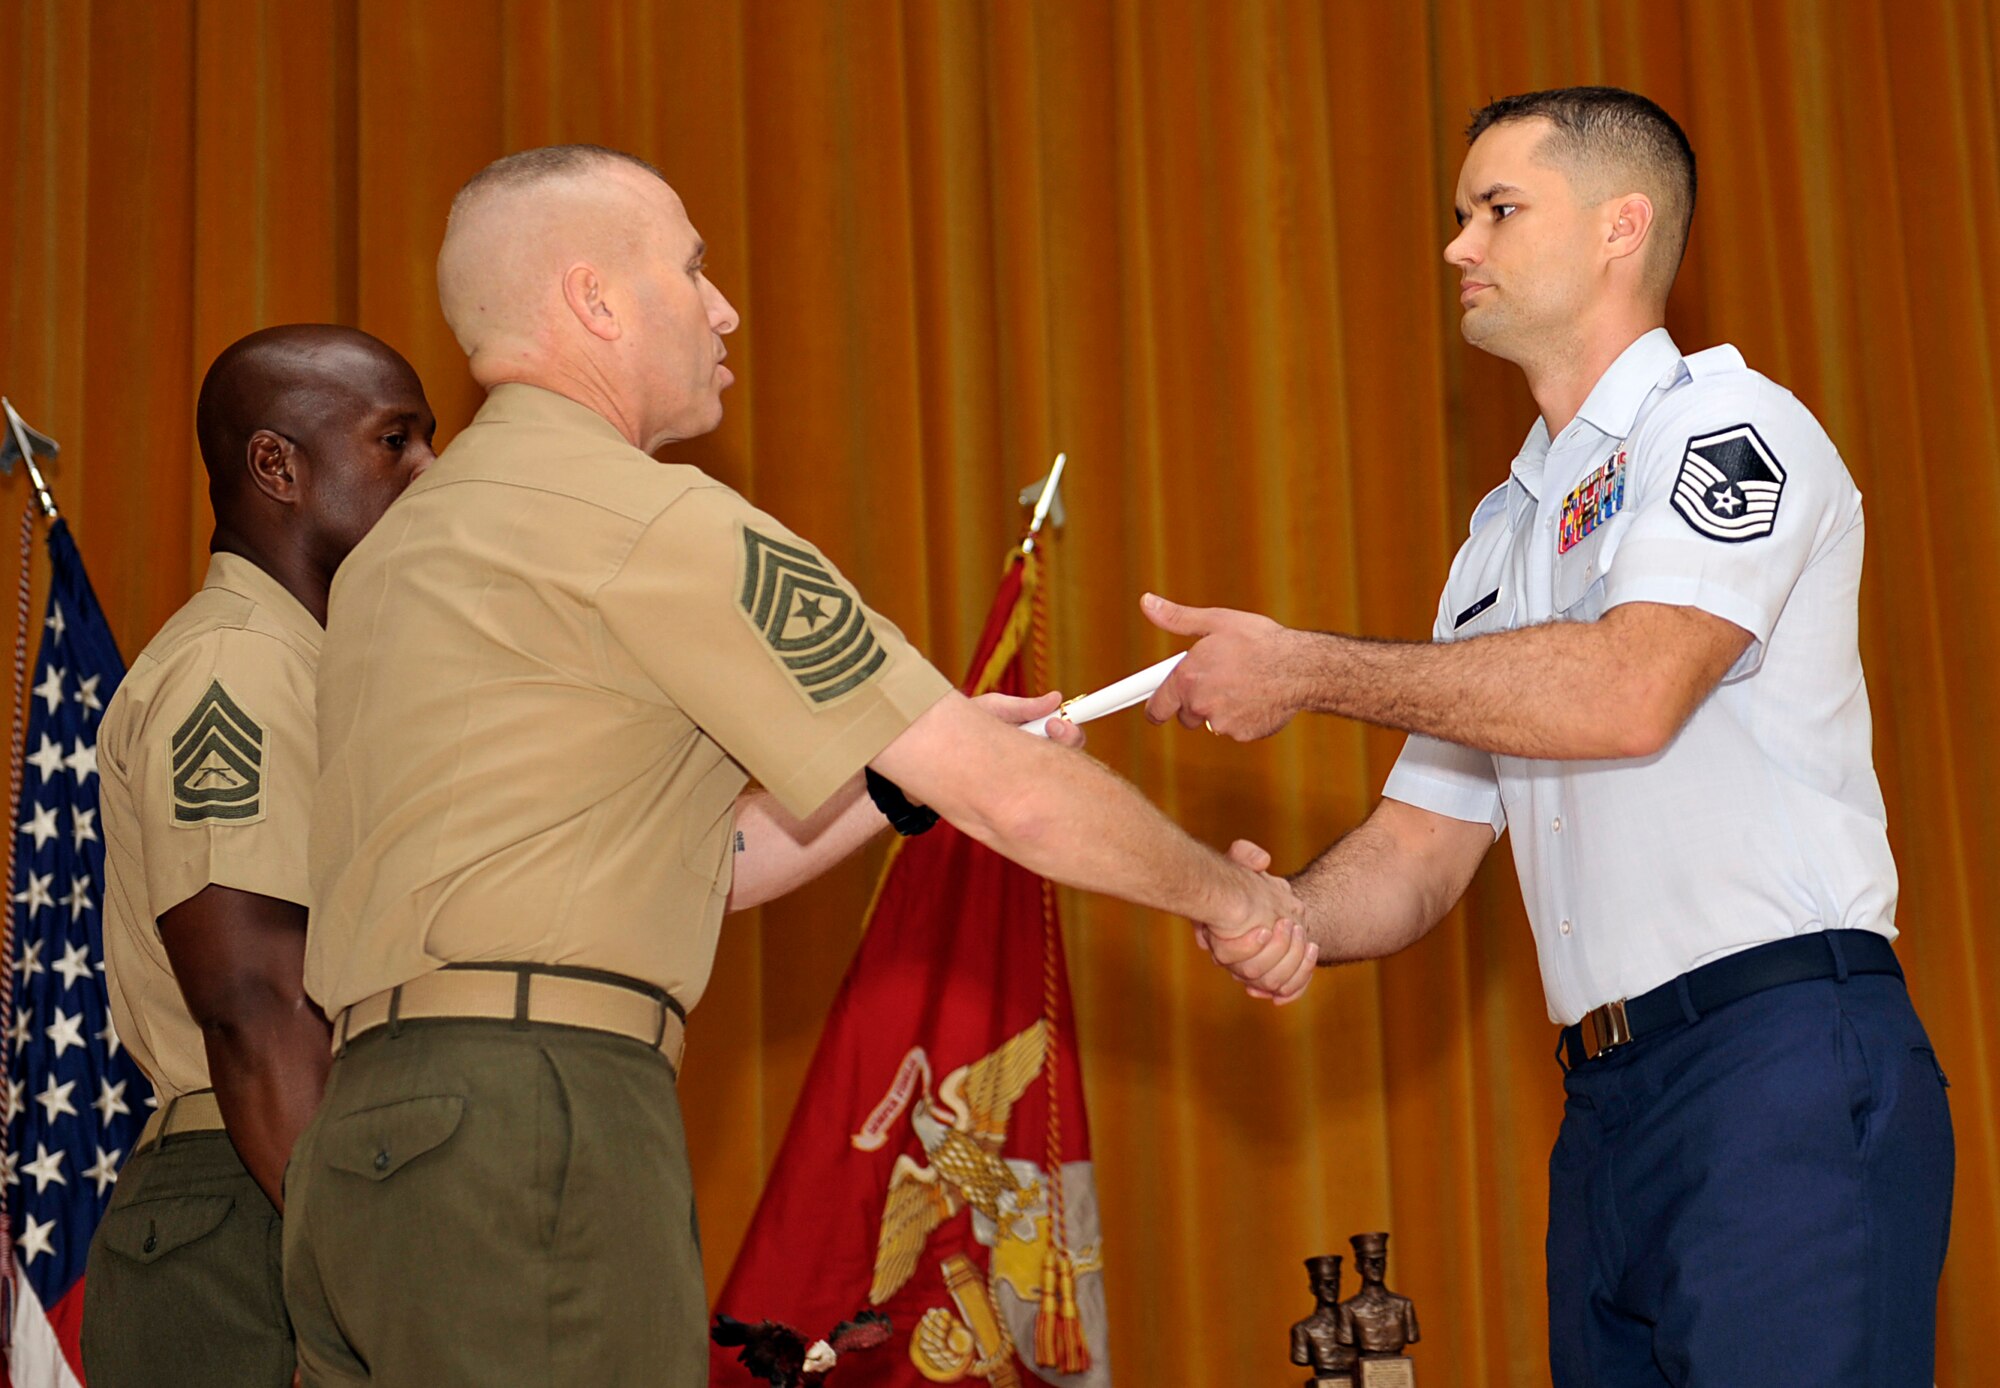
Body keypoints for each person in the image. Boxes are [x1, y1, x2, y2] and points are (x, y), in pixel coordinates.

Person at [279, 143, 1315, 1388]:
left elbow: (683, 861)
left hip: (361, 1147)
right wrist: (1239, 900)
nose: (722, 307)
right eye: (693, 266)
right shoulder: (655, 520)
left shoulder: (396, 554)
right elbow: (1017, 797)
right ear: (594, 299)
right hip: (537, 1125)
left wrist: (899, 778)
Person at [1147, 87, 1953, 1384]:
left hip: (1777, 1059)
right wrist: (1277, 908)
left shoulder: (1730, 428)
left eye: (1499, 210)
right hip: (1607, 1109)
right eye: (1461, 215)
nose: (1460, 245)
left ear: (1620, 226)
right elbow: (1419, 851)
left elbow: (1629, 691)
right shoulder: (1502, 535)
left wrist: (1303, 667)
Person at [85, 325, 437, 1387]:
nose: (430, 471)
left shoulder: (320, 668)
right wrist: (384, 1286)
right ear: (277, 466)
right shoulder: (237, 667)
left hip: (303, 1178)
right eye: (394, 442)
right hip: (260, 1198)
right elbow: (254, 1001)